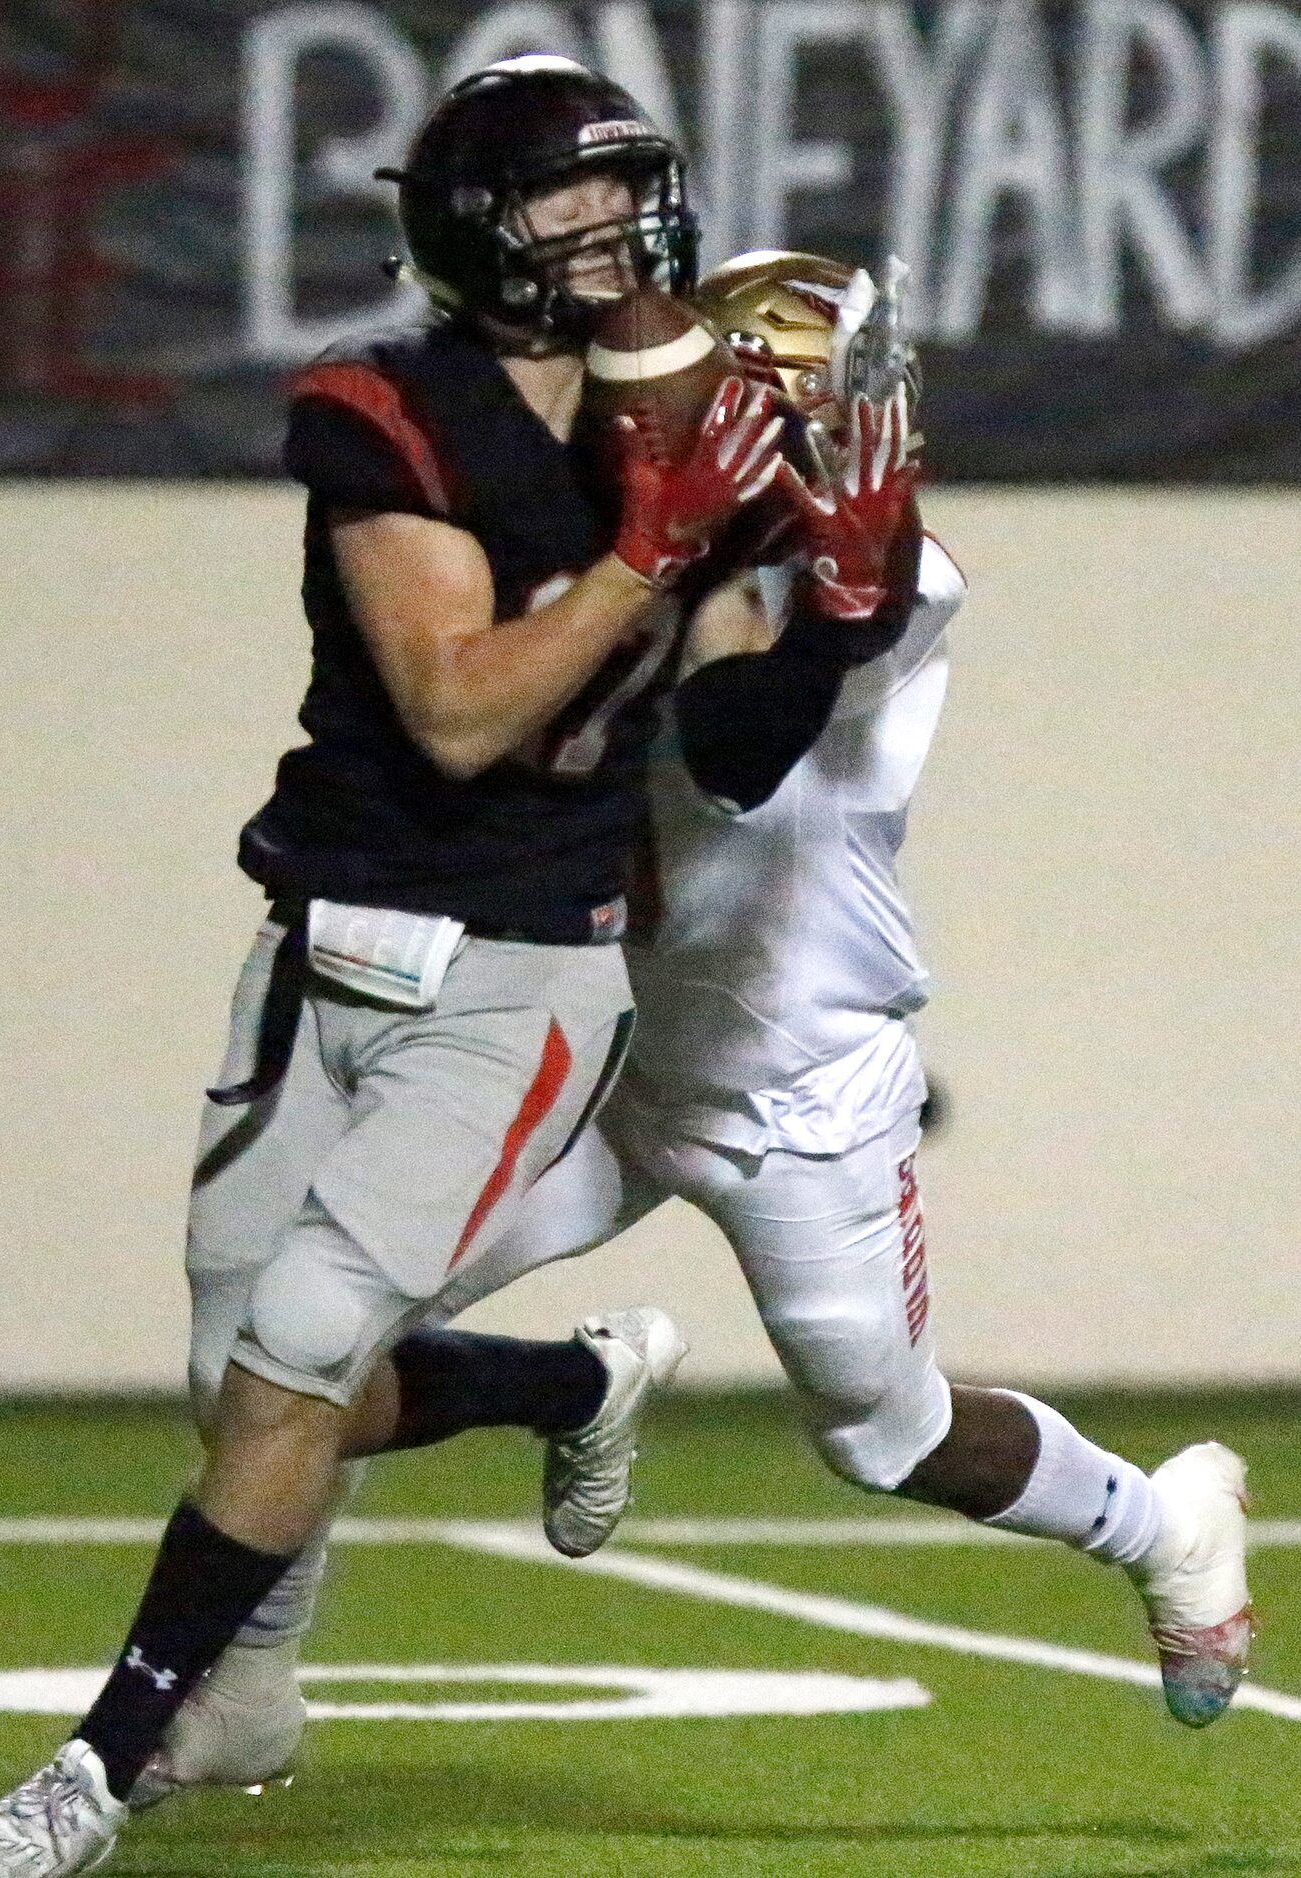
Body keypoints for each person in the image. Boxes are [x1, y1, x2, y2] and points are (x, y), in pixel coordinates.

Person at [129, 253, 1253, 1811]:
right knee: (288, 1348)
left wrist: (827, 596)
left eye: (786, 392)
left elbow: (738, 743)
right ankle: (264, 1673)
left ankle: (1163, 1520)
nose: (751, 420)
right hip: (592, 1043)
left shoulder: (897, 572)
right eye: (736, 386)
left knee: (882, 1427)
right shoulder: (623, 543)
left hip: (797, 1076)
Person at [0, 57, 788, 1878]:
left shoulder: (710, 421)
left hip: (528, 971)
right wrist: (652, 545)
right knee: (247, 1357)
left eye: (631, 188)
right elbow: (461, 708)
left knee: (304, 1344)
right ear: (476, 235)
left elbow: (742, 738)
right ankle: (560, 1392)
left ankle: (102, 1758)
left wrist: (833, 579)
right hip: (328, 941)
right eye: (571, 199)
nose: (617, 228)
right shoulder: (387, 405)